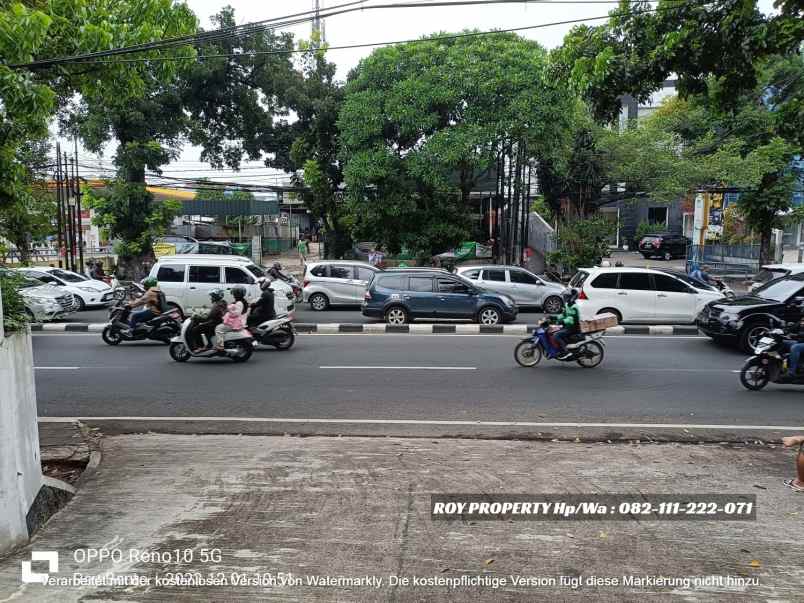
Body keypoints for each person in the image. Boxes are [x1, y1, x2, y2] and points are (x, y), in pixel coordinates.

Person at [214, 286, 248, 351]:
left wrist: (228, 309)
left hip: (235, 323)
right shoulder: (241, 301)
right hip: (235, 321)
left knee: (218, 328)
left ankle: (220, 346)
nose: (233, 294)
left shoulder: (239, 303)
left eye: (234, 293)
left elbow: (236, 314)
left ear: (238, 294)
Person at [550, 289, 581, 359]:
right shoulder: (568, 305)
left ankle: (566, 352)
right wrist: (553, 318)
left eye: (566, 297)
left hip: (573, 328)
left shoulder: (574, 307)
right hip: (568, 326)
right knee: (552, 331)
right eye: (565, 297)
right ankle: (559, 349)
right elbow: (563, 315)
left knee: (556, 335)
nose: (565, 298)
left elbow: (571, 319)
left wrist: (562, 322)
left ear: (571, 297)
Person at [779, 313, 804, 383]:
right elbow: (794, 327)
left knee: (795, 347)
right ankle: (780, 366)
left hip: (800, 342)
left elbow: (799, 334)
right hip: (800, 341)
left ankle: (792, 371)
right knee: (782, 342)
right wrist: (785, 330)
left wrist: (796, 335)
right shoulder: (802, 320)